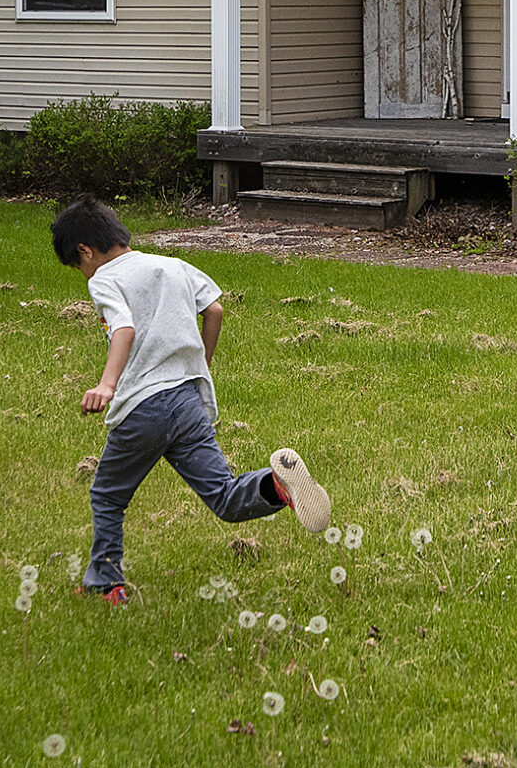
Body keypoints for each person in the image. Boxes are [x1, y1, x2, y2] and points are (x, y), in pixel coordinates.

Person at [51, 196, 331, 603]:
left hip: (142, 409)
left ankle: (106, 585)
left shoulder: (104, 279)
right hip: (187, 402)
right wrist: (202, 363)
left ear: (85, 250)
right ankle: (275, 485)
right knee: (224, 496)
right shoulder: (172, 265)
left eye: (79, 266)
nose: (83, 274)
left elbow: (123, 329)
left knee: (108, 495)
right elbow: (215, 309)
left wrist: (107, 385)